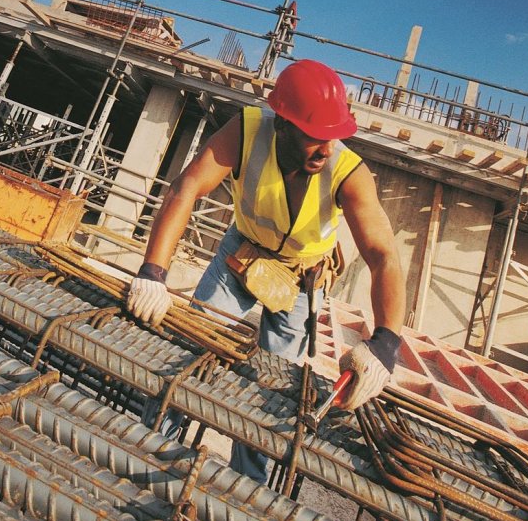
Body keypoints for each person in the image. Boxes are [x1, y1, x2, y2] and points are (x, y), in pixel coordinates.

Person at [126, 59, 406, 482]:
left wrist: (385, 342)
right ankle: (155, 444)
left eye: (335, 136)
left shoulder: (347, 171)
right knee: (194, 354)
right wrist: (152, 272)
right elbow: (186, 189)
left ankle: (248, 487)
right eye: (316, 136)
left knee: (271, 393)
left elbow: (383, 254)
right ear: (283, 125)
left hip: (302, 281)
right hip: (241, 257)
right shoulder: (248, 131)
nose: (327, 149)